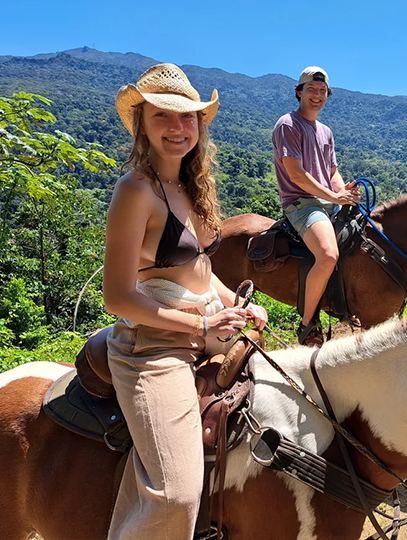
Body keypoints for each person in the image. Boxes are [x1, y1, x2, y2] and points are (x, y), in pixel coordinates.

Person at [103, 63, 267, 540]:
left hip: (204, 327)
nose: (177, 128)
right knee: (175, 492)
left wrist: (236, 301)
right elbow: (117, 296)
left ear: (200, 124)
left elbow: (200, 268)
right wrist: (198, 330)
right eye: (162, 117)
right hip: (153, 347)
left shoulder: (189, 186)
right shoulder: (136, 191)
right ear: (142, 125)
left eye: (187, 117)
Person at [272, 66, 361, 347]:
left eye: (322, 91)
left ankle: (346, 304)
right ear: (299, 93)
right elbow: (297, 174)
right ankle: (307, 323)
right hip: (302, 203)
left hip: (327, 200)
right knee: (327, 255)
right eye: (311, 89)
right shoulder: (288, 124)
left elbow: (331, 171)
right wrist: (333, 198)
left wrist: (343, 190)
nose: (317, 95)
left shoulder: (325, 131)